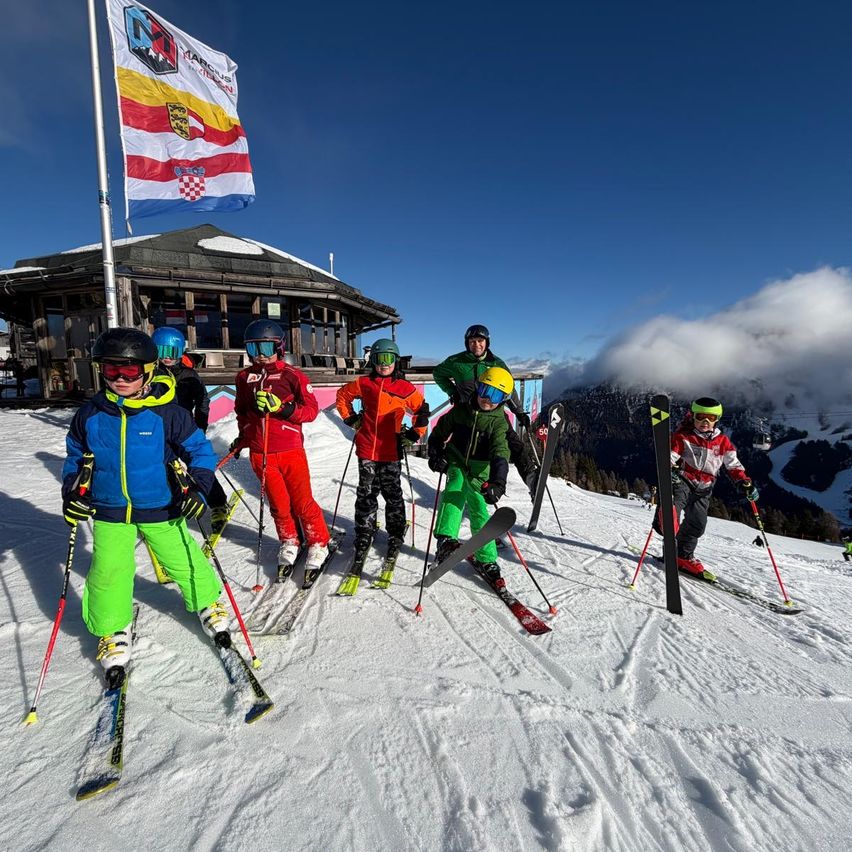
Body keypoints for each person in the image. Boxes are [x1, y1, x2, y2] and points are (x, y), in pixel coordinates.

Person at [62, 328, 231, 687]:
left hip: (162, 504)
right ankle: (111, 628)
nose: (121, 379)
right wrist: (73, 492)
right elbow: (75, 457)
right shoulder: (90, 415)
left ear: (149, 371)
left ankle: (208, 602)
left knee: (184, 558)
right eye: (111, 371)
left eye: (130, 371)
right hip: (109, 509)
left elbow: (200, 453)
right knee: (108, 571)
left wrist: (197, 489)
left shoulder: (168, 414)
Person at [230, 319, 330, 578]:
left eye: (266, 347)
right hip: (260, 453)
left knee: (302, 501)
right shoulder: (244, 378)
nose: (261, 355)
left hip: (289, 450)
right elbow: (242, 412)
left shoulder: (292, 375)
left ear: (279, 347)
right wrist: (244, 437)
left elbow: (311, 411)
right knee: (278, 504)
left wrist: (282, 408)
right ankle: (289, 540)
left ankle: (318, 541)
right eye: (253, 349)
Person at [335, 338, 429, 568]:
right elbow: (342, 396)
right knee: (366, 492)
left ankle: (395, 532)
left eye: (388, 359)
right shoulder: (364, 383)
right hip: (367, 447)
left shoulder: (405, 388)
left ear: (396, 361)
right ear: (373, 361)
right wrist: (350, 418)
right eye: (379, 359)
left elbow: (422, 411)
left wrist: (415, 434)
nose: (383, 364)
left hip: (390, 449)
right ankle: (364, 530)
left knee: (392, 493)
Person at [433, 324, 539, 499]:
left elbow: (509, 389)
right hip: (467, 414)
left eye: (480, 341)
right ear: (467, 343)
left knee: (513, 444)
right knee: (471, 453)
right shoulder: (456, 362)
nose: (477, 345)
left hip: (494, 415)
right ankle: (476, 491)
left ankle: (531, 478)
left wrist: (519, 412)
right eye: (472, 341)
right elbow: (438, 374)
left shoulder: (497, 364)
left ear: (487, 342)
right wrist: (452, 392)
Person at [427, 365, 512, 583]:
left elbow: (500, 452)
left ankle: (487, 559)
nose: (488, 399)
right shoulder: (460, 411)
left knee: (478, 508)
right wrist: (436, 454)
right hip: (456, 459)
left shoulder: (499, 421)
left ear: (504, 399)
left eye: (496, 395)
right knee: (455, 488)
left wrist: (498, 482)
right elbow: (438, 434)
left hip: (480, 469)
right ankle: (446, 538)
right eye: (485, 390)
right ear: (478, 387)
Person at [662, 397, 757, 580]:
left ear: (717, 420)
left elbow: (733, 465)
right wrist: (670, 469)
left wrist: (744, 481)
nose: (705, 422)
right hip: (683, 480)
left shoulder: (723, 442)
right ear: (693, 416)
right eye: (701, 417)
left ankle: (682, 556)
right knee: (676, 505)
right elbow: (670, 455)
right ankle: (666, 517)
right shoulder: (683, 437)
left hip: (704, 488)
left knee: (697, 525)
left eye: (710, 418)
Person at [151, 326, 229, 528]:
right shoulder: (149, 374)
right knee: (166, 469)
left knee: (198, 466)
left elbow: (202, 401)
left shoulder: (189, 375)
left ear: (180, 352)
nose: (167, 358)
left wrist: (200, 426)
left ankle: (218, 503)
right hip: (159, 431)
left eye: (172, 352)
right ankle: (174, 503)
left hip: (185, 431)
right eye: (162, 352)